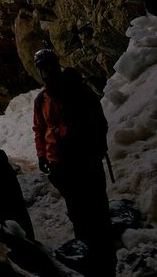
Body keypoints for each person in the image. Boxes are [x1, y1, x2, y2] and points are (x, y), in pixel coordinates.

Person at [32, 48, 116, 276]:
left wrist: (96, 150)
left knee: (96, 209)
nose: (47, 72)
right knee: (77, 210)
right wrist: (42, 155)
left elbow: (99, 122)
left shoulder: (78, 91)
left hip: (85, 161)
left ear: (56, 65)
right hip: (60, 163)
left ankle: (105, 259)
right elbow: (40, 129)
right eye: (43, 68)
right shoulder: (42, 100)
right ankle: (88, 252)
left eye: (50, 66)